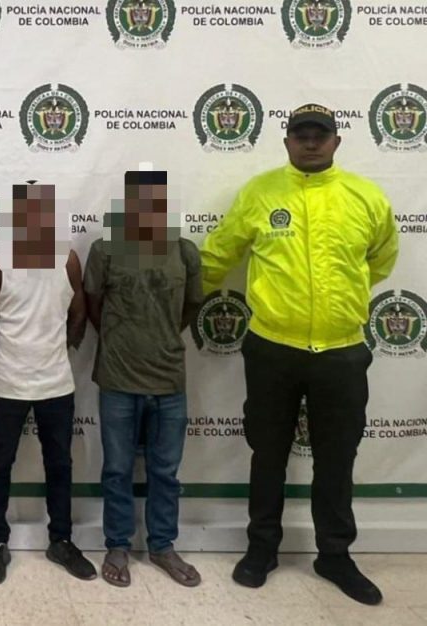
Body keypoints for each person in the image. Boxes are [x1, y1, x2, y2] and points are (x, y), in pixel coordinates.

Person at [202, 104, 398, 606]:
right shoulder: (260, 193)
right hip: (272, 349)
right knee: (267, 453)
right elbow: (219, 253)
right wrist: (172, 298)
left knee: (337, 457)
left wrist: (338, 304)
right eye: (301, 134)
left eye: (320, 135)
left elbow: (381, 260)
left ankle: (334, 555)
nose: (311, 142)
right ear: (287, 140)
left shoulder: (366, 197)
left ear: (336, 142)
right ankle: (261, 548)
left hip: (341, 351)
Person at [83, 166, 204, 589]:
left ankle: (163, 546)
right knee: (117, 470)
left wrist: (160, 338)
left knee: (165, 472)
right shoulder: (105, 250)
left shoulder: (185, 251)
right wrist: (122, 339)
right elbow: (93, 305)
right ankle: (117, 545)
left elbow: (190, 308)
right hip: (118, 378)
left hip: (169, 380)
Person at [0, 181, 94, 585]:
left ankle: (61, 540)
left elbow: (79, 313)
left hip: (56, 382)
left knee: (59, 464)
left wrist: (58, 350)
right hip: (9, 382)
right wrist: (12, 353)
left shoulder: (67, 259)